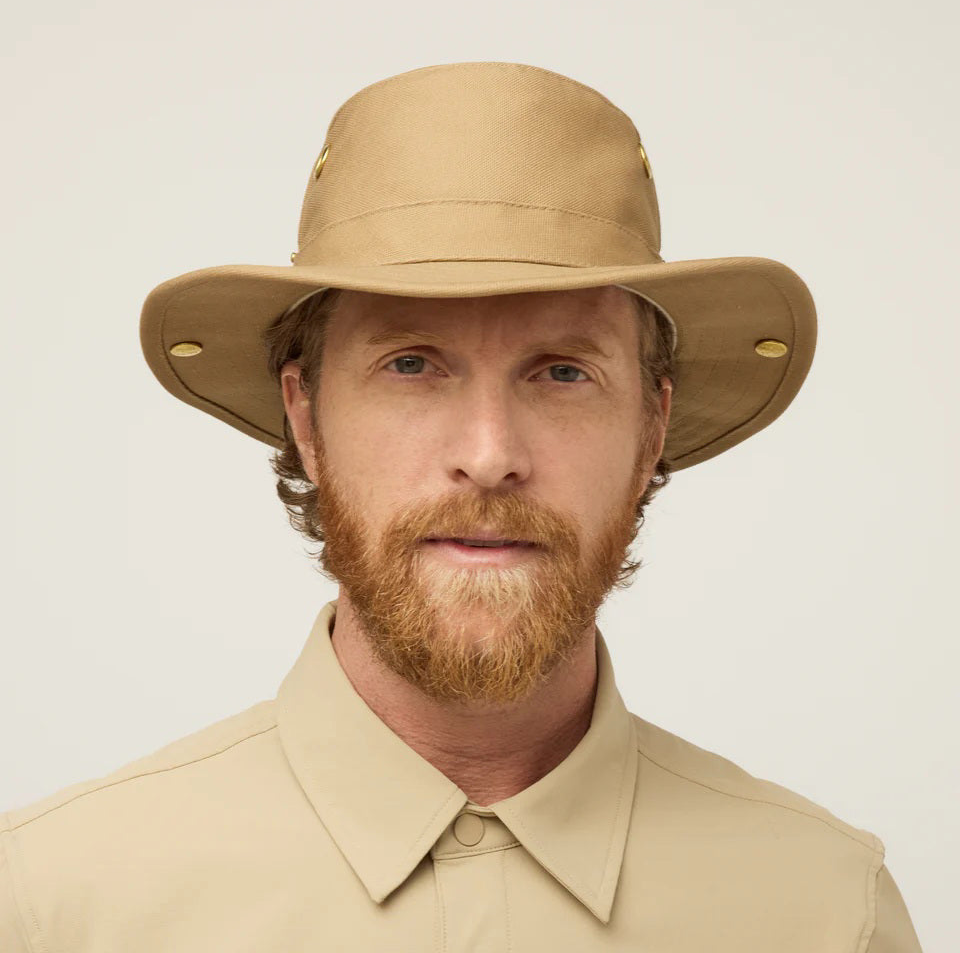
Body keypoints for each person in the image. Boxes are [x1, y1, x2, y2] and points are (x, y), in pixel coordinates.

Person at [0, 61, 923, 952]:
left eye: (563, 372)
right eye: (411, 365)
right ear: (306, 418)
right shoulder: (57, 907)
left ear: (651, 430)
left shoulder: (823, 912)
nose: (489, 457)